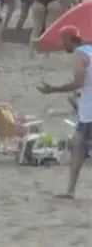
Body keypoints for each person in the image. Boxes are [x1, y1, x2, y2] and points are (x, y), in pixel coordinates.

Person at [37, 25, 92, 199]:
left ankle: (70, 190)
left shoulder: (79, 55)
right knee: (77, 146)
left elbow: (79, 82)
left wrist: (53, 89)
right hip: (86, 110)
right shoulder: (90, 51)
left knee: (79, 146)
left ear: (70, 40)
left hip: (89, 111)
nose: (62, 45)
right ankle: (70, 190)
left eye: (63, 41)